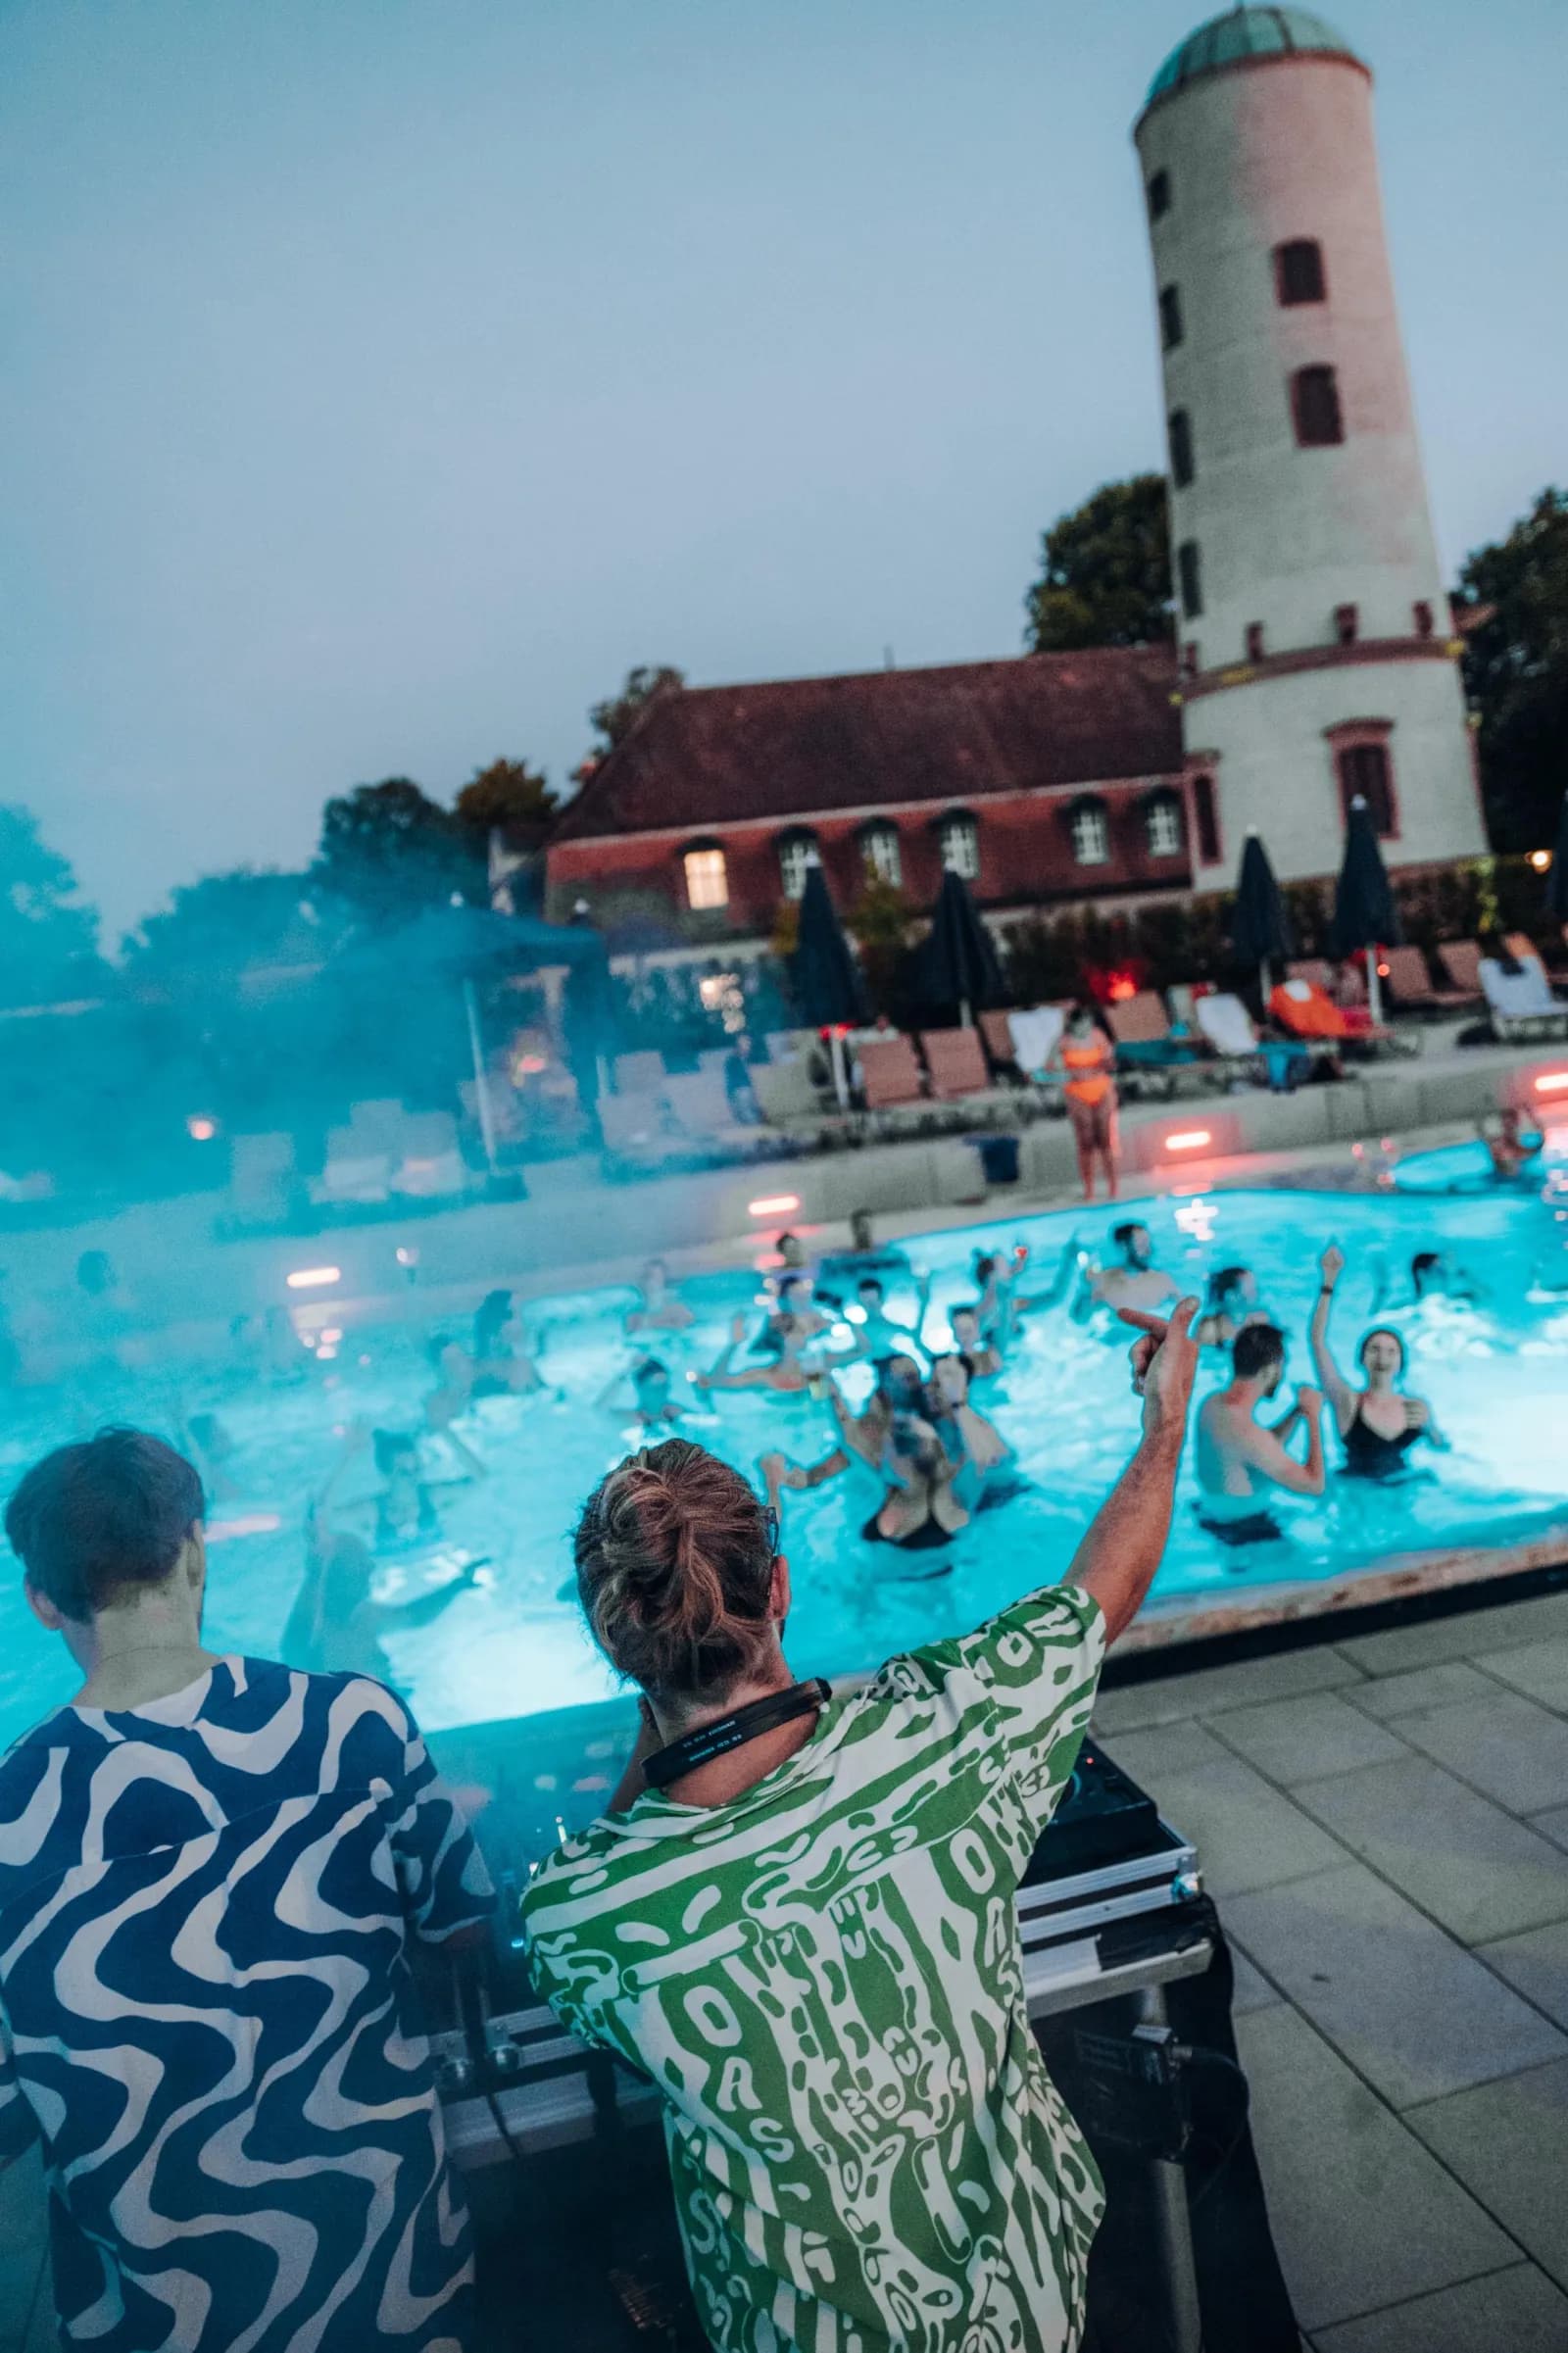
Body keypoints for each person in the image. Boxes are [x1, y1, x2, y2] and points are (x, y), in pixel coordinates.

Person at [521, 1301, 1200, 2353]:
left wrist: (654, 1703)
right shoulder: (953, 1731)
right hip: (1021, 2303)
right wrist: (1162, 1424)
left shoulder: (581, 1914)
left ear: (618, 1647)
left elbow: (621, 1871)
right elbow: (1098, 1595)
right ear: (781, 1588)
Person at [0, 1427, 494, 2353]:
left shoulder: (8, 1821)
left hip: (163, 2323)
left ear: (39, 1600)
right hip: (395, 2278)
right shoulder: (354, 1723)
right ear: (195, 1552)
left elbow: (6, 2121)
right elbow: (463, 1922)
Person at [1311, 1244, 1449, 1477]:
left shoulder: (1415, 1408)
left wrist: (1429, 1428)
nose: (1382, 1356)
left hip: (1403, 1493)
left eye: (1391, 1351)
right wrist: (1328, 1281)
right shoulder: (1348, 1402)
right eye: (1374, 1349)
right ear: (1362, 1360)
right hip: (1357, 1495)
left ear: (1400, 1364)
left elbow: (1443, 1449)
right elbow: (1317, 1342)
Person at [1194, 1321, 1325, 1545]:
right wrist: (1313, 1417)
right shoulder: (1250, 1436)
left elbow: (1259, 1453)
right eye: (1282, 1366)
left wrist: (1296, 1412)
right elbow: (1315, 1486)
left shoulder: (1211, 1405)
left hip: (1212, 1518)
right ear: (1270, 1371)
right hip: (1248, 1534)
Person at [1054, 1003, 1119, 1202]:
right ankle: (1089, 1188)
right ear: (1073, 1025)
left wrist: (1096, 1066)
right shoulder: (1063, 1042)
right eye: (1081, 1024)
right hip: (1077, 1092)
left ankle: (1113, 1187)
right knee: (1086, 1141)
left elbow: (1110, 1061)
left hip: (1100, 1088)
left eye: (1087, 1023)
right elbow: (1052, 1067)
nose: (1085, 1028)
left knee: (1106, 1140)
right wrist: (1070, 1071)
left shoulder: (1098, 1036)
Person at [1073, 1222, 1180, 1324]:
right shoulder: (1103, 1281)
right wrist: (1085, 1290)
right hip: (1117, 1339)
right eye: (1141, 1243)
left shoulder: (1162, 1280)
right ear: (1124, 1246)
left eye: (1148, 1242)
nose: (1149, 1249)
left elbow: (1185, 1313)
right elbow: (1080, 1320)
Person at [470, 1288, 544, 1392]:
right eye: (512, 1315)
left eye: (520, 1315)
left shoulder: (523, 1365)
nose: (521, 1323)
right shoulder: (480, 1372)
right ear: (494, 1323)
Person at [1195, 1264, 1272, 1350]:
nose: (1257, 1294)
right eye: (1250, 1290)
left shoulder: (1261, 1321)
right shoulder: (1211, 1328)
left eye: (1255, 1288)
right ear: (1231, 1296)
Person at [624, 1256, 695, 1334]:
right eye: (647, 1277)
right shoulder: (633, 1315)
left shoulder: (678, 1309)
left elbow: (688, 1322)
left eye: (654, 1277)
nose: (651, 1282)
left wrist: (647, 1323)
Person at [1480, 1106, 1544, 1184]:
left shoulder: (1499, 1150)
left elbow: (1486, 1138)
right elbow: (1540, 1143)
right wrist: (1531, 1115)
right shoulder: (1521, 1154)